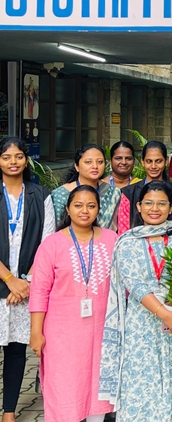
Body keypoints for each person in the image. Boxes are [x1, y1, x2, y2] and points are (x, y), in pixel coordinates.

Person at [99, 181, 172, 420]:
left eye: (162, 203)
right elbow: (135, 285)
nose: (155, 209)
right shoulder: (127, 241)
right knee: (146, 382)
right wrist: (166, 315)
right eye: (149, 203)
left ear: (171, 207)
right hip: (145, 325)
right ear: (139, 207)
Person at [28, 184, 116, 422]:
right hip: (61, 335)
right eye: (78, 205)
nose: (84, 211)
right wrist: (36, 332)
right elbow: (39, 291)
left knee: (97, 390)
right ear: (67, 209)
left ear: (98, 209)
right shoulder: (52, 244)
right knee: (64, 387)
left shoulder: (112, 240)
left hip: (101, 333)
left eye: (91, 206)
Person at [0, 138, 55, 422]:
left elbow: (46, 243)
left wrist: (26, 281)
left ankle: (9, 412)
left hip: (25, 287)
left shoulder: (40, 195)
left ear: (26, 160)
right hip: (7, 283)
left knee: (16, 350)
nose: (13, 162)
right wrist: (10, 279)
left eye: (19, 156)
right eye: (6, 157)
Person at [117, 141, 172, 234]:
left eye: (158, 161)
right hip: (135, 242)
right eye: (149, 161)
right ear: (142, 162)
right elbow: (123, 232)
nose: (153, 166)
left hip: (171, 242)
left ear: (166, 161)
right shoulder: (129, 193)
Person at [51, 144, 121, 231]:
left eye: (100, 162)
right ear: (77, 166)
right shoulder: (61, 194)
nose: (95, 166)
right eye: (88, 162)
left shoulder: (113, 192)